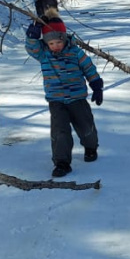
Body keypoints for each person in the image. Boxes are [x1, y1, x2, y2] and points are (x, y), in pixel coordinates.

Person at [24, 16, 102, 177]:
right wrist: (33, 33)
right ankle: (62, 162)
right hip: (56, 100)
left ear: (64, 38)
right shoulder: (44, 54)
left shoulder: (75, 52)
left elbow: (88, 68)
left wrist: (96, 85)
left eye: (58, 42)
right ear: (46, 43)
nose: (55, 46)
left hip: (77, 98)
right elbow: (32, 47)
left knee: (86, 126)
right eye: (51, 43)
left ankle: (90, 147)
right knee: (60, 131)